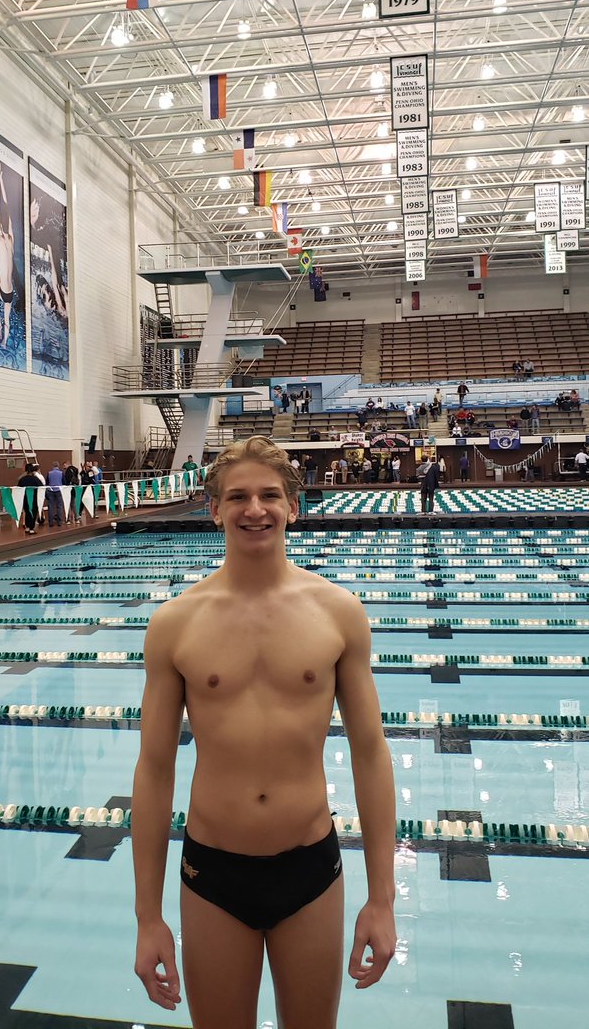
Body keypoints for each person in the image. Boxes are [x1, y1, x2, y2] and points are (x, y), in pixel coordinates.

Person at [131, 437, 396, 1025]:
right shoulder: (175, 623)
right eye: (239, 496)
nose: (256, 509)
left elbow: (371, 754)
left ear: (293, 507)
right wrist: (148, 917)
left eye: (270, 495)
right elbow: (153, 769)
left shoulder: (338, 612)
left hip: (310, 871)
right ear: (214, 510)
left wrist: (382, 898)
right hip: (213, 875)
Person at [0, 160, 17, 350]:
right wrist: (0, 180)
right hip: (8, 291)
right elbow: (6, 208)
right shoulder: (10, 239)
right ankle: (5, 341)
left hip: (6, 290)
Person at [18, 462, 42, 534]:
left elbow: (19, 487)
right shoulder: (35, 479)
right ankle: (31, 528)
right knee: (33, 512)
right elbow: (41, 486)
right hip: (34, 498)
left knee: (27, 512)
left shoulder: (22, 479)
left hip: (25, 498)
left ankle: (27, 527)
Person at [45, 460, 64, 526]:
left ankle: (51, 522)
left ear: (52, 466)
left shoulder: (49, 473)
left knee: (50, 506)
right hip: (59, 490)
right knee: (59, 506)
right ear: (58, 466)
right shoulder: (61, 473)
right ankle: (60, 521)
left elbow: (47, 482)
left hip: (50, 490)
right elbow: (64, 481)